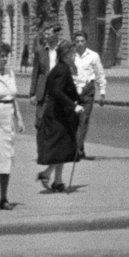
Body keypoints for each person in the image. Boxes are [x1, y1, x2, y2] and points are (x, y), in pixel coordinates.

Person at [36, 41, 83, 193]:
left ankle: (57, 180)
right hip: (57, 114)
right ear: (66, 54)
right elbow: (57, 91)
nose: (74, 55)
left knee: (62, 146)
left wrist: (77, 98)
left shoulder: (60, 68)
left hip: (58, 112)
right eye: (72, 53)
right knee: (61, 147)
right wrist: (73, 105)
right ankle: (48, 174)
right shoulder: (63, 69)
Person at [0, 43, 24, 210]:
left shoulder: (10, 73)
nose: (5, 59)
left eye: (6, 55)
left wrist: (19, 118)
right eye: (1, 56)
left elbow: (12, 97)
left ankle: (3, 197)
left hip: (8, 117)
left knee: (6, 157)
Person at [70, 32, 107, 160]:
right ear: (74, 42)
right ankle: (80, 148)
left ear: (86, 42)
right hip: (73, 92)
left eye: (82, 41)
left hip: (87, 91)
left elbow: (99, 74)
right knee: (74, 121)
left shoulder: (93, 56)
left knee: (83, 120)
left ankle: (76, 150)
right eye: (77, 41)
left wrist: (102, 92)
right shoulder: (70, 56)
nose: (80, 44)